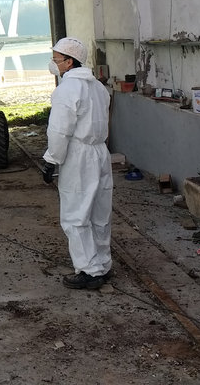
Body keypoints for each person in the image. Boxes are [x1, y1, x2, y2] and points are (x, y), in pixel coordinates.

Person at [42, 36, 114, 290]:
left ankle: (89, 270)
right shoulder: (98, 88)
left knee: (76, 215)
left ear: (70, 62)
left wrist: (51, 160)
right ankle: (103, 264)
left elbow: (60, 131)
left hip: (79, 156)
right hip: (100, 153)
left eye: (57, 60)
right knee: (99, 213)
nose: (54, 64)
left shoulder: (67, 90)